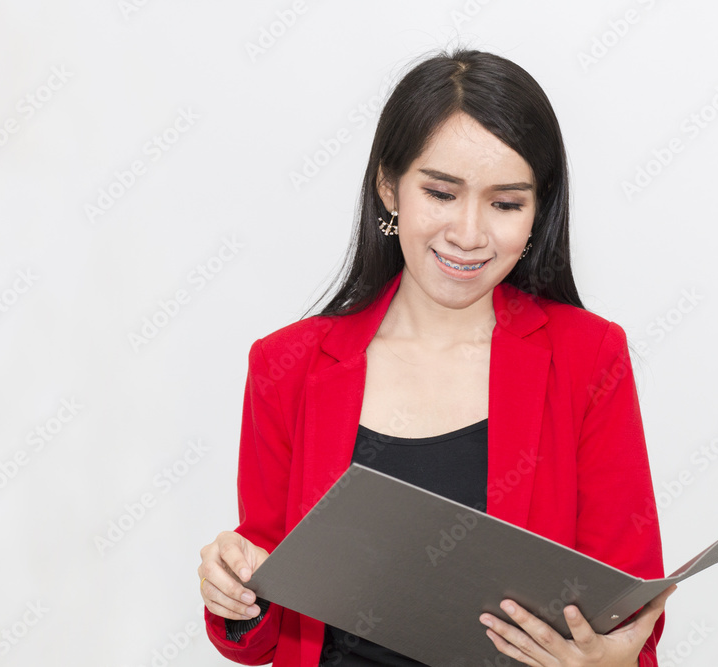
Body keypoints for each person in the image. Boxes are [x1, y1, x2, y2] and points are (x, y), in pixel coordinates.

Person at [198, 46, 675, 667]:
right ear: (389, 188)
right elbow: (265, 620)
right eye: (442, 193)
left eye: (506, 203)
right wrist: (235, 591)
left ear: (537, 212)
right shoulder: (287, 365)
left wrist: (606, 660)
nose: (469, 234)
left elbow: (629, 612)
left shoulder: (589, 357)